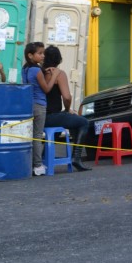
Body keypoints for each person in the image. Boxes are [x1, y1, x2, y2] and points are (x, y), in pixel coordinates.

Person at [41, 45, 90, 171]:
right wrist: (68, 109)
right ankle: (76, 158)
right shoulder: (58, 74)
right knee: (83, 122)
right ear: (59, 59)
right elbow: (67, 97)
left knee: (63, 122)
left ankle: (43, 156)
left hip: (41, 117)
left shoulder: (40, 72)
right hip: (52, 116)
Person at [23, 42, 55, 176]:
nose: (43, 56)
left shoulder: (25, 69)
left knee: (29, 136)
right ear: (30, 55)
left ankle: (28, 163)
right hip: (39, 106)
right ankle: (37, 165)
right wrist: (54, 75)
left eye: (43, 53)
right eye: (39, 53)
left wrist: (44, 71)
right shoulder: (36, 70)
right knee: (37, 136)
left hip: (28, 105)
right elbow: (46, 89)